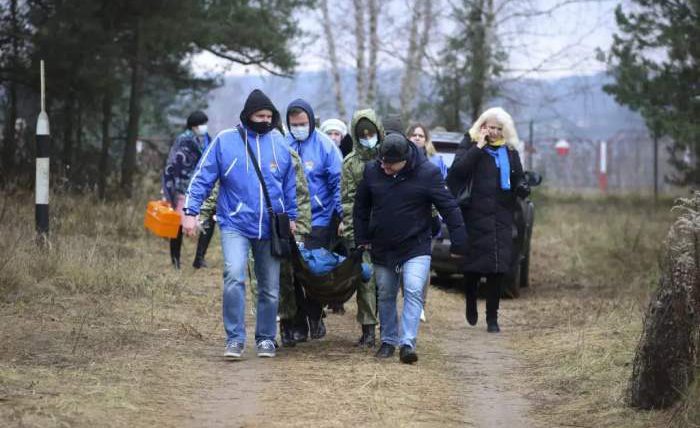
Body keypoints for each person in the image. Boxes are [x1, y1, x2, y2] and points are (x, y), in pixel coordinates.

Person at [182, 89, 297, 359]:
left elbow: (289, 184)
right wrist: (190, 211)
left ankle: (266, 337)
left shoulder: (279, 143)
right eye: (260, 115)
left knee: (269, 286)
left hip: (270, 227)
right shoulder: (225, 141)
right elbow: (202, 177)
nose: (265, 120)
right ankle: (234, 338)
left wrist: (291, 217)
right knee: (234, 275)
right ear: (248, 115)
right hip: (234, 222)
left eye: (270, 116)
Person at [354, 133, 467, 364]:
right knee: (385, 293)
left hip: (416, 245)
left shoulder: (428, 174)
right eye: (382, 161)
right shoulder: (372, 171)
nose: (384, 167)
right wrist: (362, 237)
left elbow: (449, 208)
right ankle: (388, 340)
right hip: (383, 246)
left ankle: (407, 343)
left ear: (405, 160)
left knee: (414, 289)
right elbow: (361, 207)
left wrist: (459, 241)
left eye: (390, 164)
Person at [446, 107, 529, 333]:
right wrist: (478, 147)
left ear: (505, 130)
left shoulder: (509, 150)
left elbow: (518, 176)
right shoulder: (470, 143)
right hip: (474, 215)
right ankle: (471, 302)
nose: (493, 132)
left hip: (502, 216)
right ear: (482, 126)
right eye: (490, 127)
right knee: (472, 268)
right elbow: (457, 172)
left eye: (498, 128)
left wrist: (522, 185)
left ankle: (492, 318)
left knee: (497, 270)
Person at [284, 99, 343, 340]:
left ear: (311, 120)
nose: (299, 127)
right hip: (289, 220)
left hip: (319, 220)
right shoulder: (281, 143)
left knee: (313, 272)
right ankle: (297, 324)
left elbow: (338, 184)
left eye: (303, 123)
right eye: (294, 124)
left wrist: (342, 217)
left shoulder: (325, 146)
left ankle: (315, 314)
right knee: (291, 273)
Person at [341, 109, 385, 348]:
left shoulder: (389, 156)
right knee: (366, 280)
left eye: (371, 132)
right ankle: (368, 329)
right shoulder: (350, 163)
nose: (368, 136)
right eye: (363, 133)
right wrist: (351, 233)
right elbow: (347, 200)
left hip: (389, 228)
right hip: (363, 230)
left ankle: (387, 328)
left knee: (385, 282)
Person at [407, 123, 449, 322]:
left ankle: (420, 304)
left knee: (423, 264)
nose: (417, 138)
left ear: (426, 139)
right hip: (407, 222)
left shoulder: (436, 162)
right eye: (413, 135)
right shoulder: (402, 161)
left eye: (420, 135)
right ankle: (409, 301)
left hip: (429, 222)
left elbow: (443, 191)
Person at [162, 110, 212, 269]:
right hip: (182, 188)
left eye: (205, 123)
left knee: (208, 220)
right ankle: (175, 260)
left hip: (203, 187)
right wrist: (170, 189)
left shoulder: (206, 139)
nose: (203, 127)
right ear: (193, 125)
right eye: (200, 124)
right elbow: (173, 164)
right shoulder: (183, 140)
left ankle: (199, 258)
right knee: (177, 224)